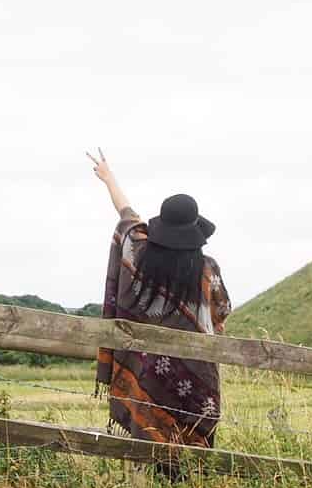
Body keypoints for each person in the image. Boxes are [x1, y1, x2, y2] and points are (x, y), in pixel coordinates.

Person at [88, 149, 232, 458]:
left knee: (148, 443)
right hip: (197, 372)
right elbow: (221, 313)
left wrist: (108, 178)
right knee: (191, 457)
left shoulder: (137, 256)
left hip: (148, 369)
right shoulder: (208, 270)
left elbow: (127, 217)